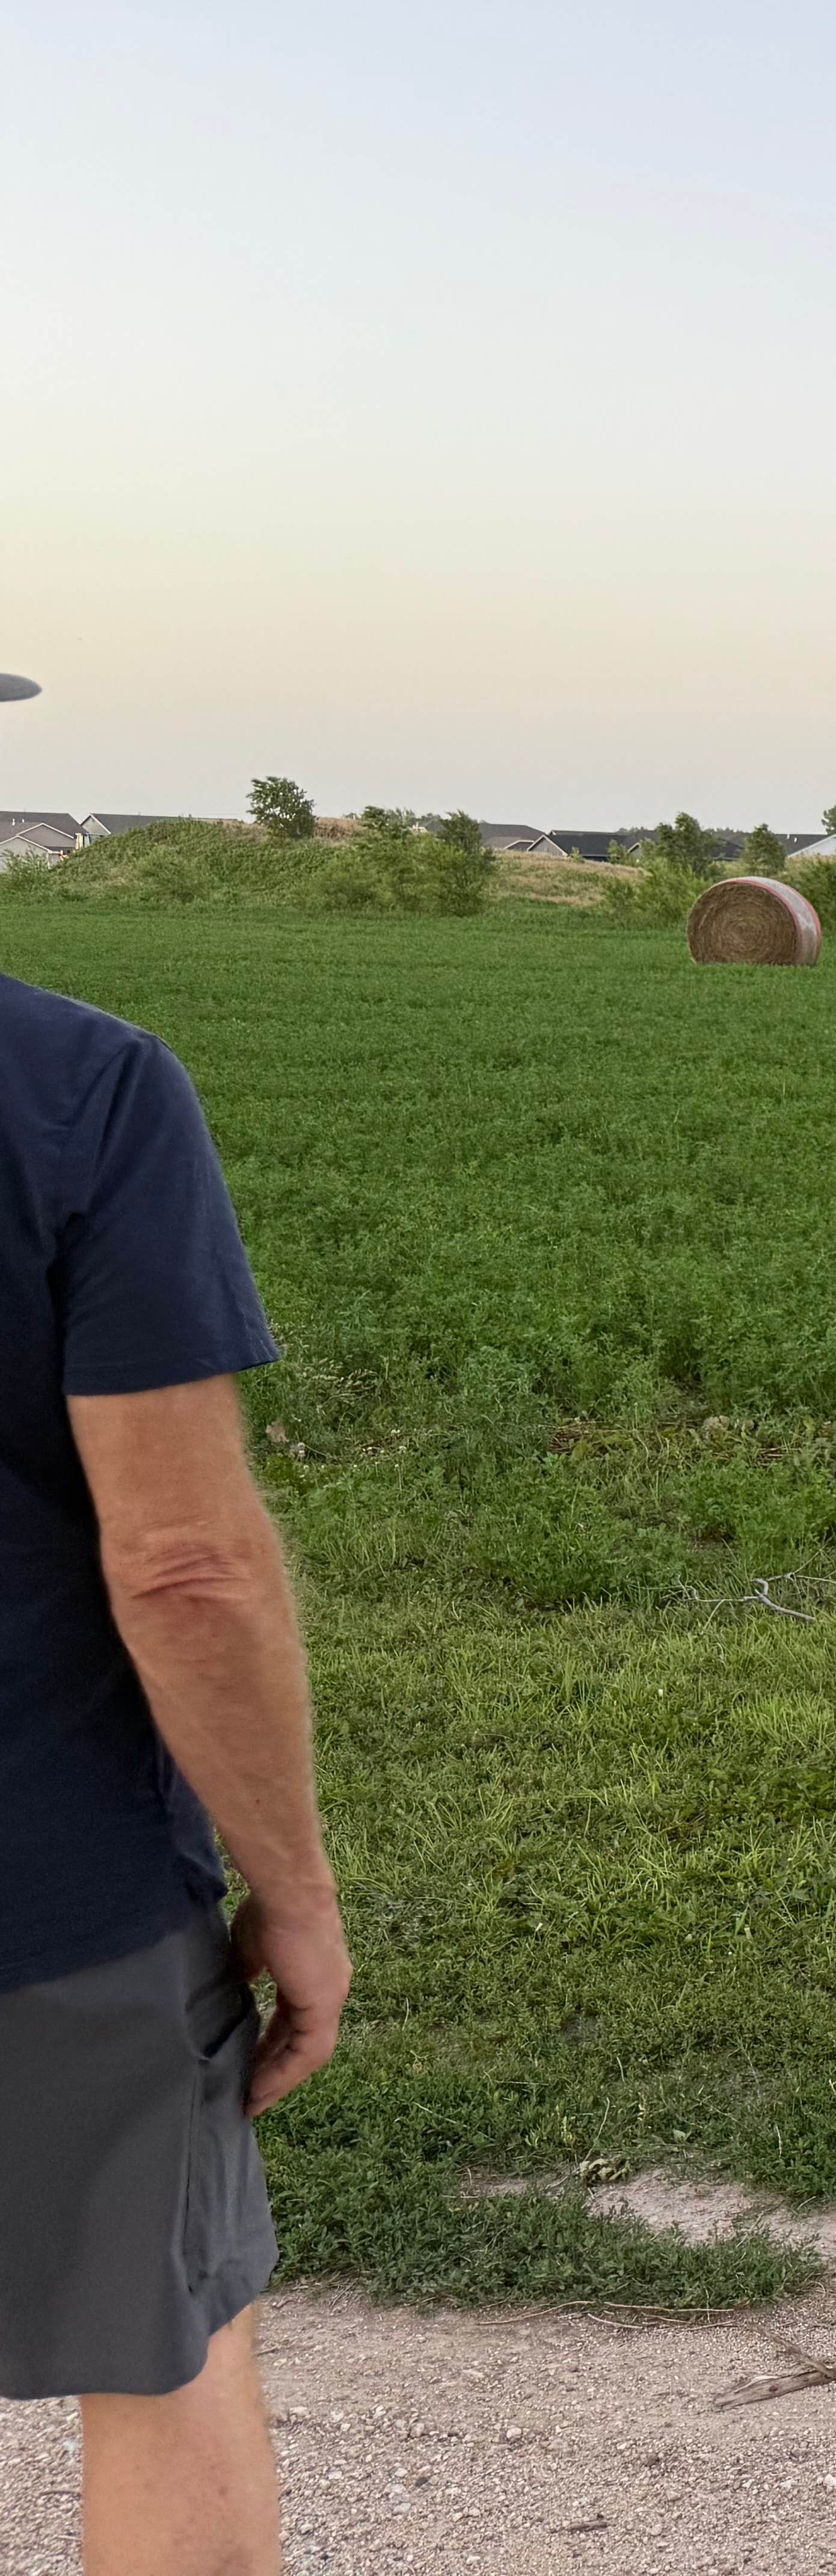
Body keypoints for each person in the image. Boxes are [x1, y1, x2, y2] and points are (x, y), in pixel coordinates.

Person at [2, 968, 346, 2576]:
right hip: (50, 1893)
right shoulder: (81, 1089)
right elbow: (188, 1565)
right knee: (168, 2349)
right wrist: (298, 1891)